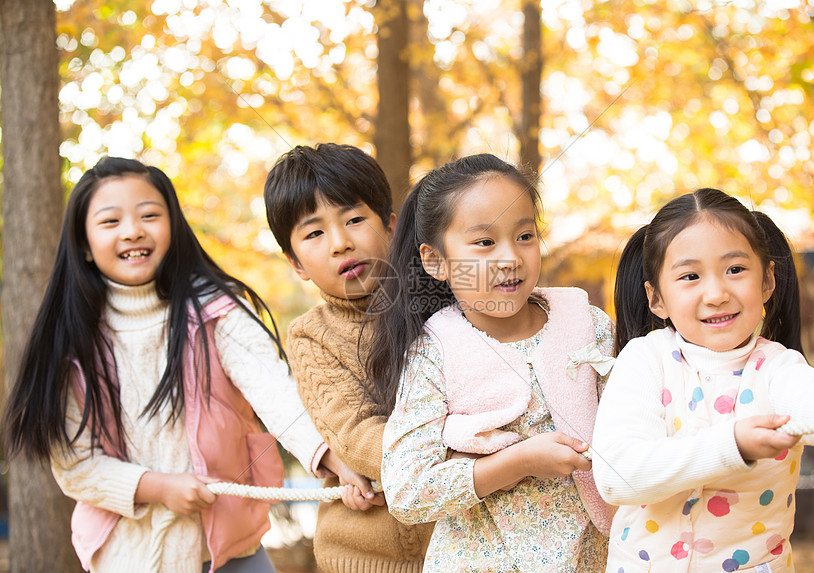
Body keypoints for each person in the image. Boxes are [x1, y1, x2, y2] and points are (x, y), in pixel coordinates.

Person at [2, 156, 362, 573]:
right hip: (126, 557)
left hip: (231, 553)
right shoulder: (70, 341)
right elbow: (75, 466)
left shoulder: (217, 309)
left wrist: (335, 461)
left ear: (172, 226)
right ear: (83, 243)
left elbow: (277, 393)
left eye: (149, 215)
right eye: (110, 221)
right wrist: (158, 487)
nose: (133, 230)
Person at [364, 153, 616, 572]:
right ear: (435, 260)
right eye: (484, 242)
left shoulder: (587, 323)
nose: (510, 258)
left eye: (525, 236)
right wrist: (518, 462)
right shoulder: (435, 351)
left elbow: (631, 429)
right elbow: (407, 490)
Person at [592, 187, 814, 572]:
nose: (716, 293)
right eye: (690, 276)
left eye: (735, 269)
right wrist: (731, 445)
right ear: (657, 299)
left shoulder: (777, 369)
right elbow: (618, 477)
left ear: (767, 281)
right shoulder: (644, 360)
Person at [263, 143, 433, 573]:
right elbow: (357, 435)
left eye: (355, 220)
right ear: (295, 262)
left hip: (460, 547)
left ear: (391, 227)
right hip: (366, 555)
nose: (341, 243)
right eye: (314, 233)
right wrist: (465, 452)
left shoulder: (438, 303)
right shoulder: (310, 337)